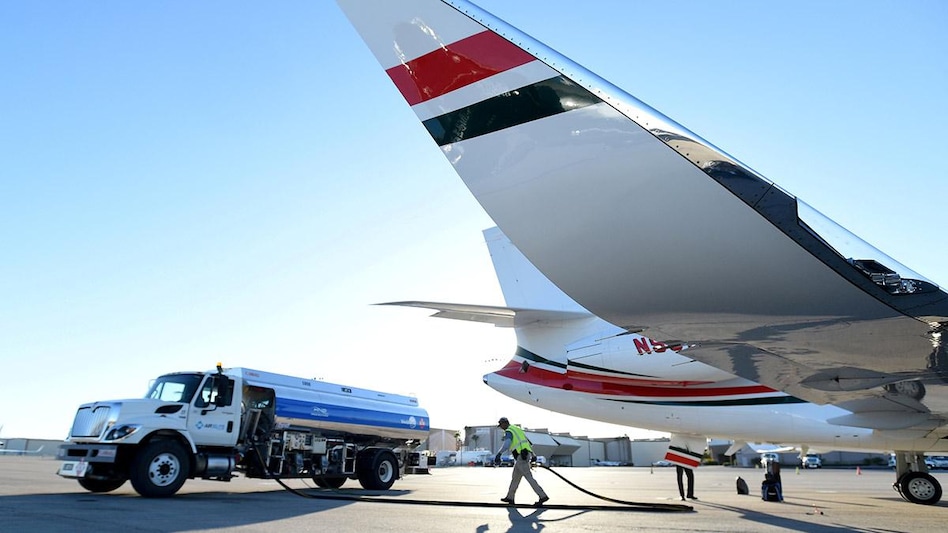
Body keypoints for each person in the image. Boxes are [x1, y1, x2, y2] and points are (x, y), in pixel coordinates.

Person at [494, 417, 549, 506]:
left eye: (501, 425)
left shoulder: (509, 431)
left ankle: (543, 496)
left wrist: (499, 454)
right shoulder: (517, 429)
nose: (501, 427)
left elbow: (507, 444)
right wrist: (533, 454)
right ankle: (510, 497)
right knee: (515, 477)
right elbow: (526, 442)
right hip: (523, 455)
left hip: (521, 457)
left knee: (529, 477)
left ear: (505, 423)